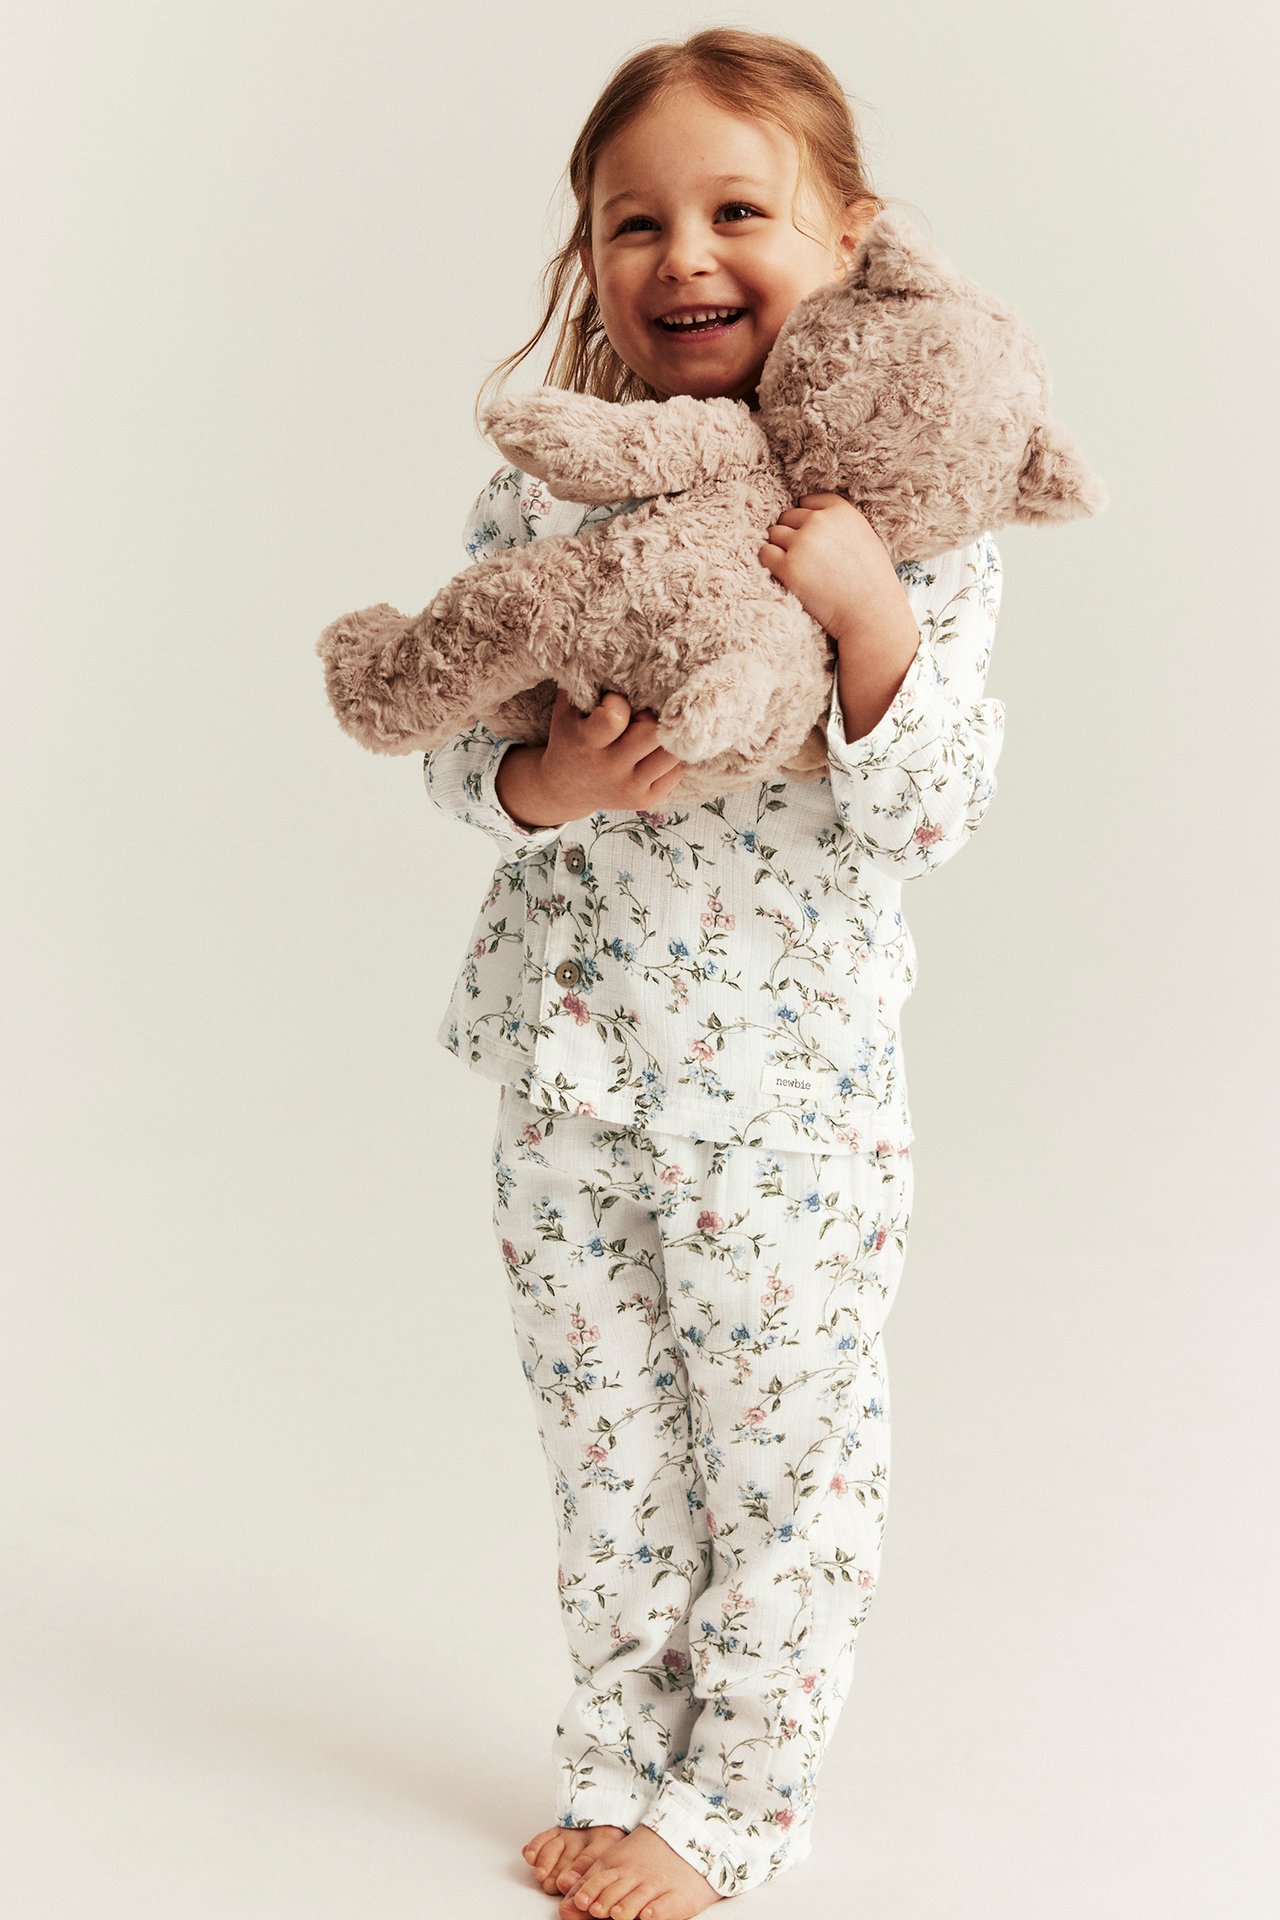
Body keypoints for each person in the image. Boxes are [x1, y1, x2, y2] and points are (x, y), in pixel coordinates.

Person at [423, 29, 1005, 1920]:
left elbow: (930, 813)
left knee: (784, 1455)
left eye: (737, 211)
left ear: (849, 238)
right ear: (587, 262)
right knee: (604, 1439)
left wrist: (862, 613)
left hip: (784, 1103)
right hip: (572, 1069)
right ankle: (617, 1758)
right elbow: (451, 737)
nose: (684, 254)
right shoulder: (548, 498)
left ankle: (739, 1799)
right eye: (633, 222)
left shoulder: (909, 522)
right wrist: (541, 781)